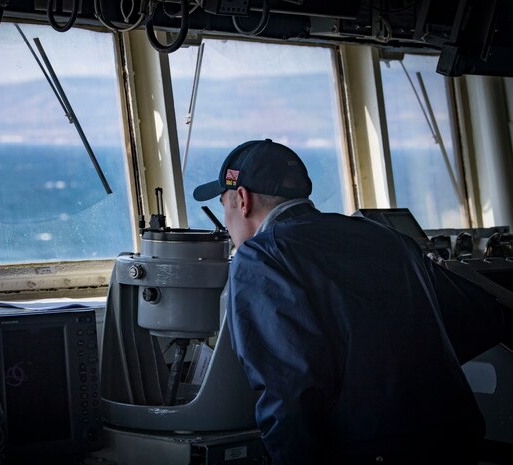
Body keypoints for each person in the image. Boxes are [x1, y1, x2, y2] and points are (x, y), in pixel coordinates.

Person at [193, 139, 508, 465]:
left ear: (242, 200)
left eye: (223, 206)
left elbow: (289, 391)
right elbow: (483, 317)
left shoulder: (262, 257)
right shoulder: (386, 237)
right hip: (455, 439)